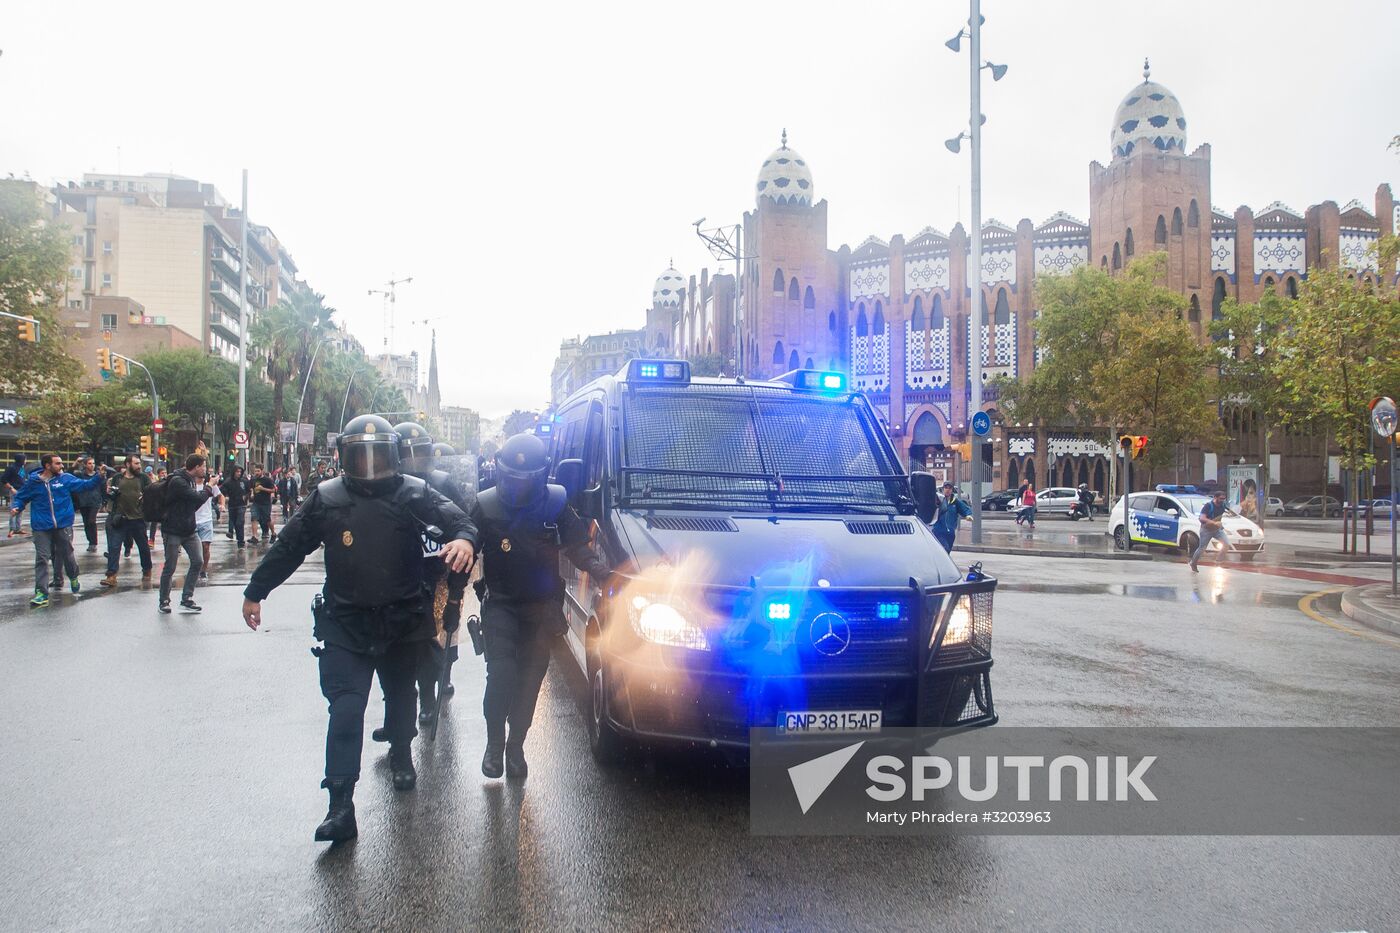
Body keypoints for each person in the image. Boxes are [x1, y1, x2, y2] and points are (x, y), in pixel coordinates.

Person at [241, 415, 476, 843]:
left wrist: (464, 540)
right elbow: (290, 545)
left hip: (401, 619)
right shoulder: (327, 498)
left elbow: (461, 520)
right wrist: (257, 590)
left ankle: (403, 753)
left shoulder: (414, 492)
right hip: (345, 622)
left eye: (377, 455)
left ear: (394, 455)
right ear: (344, 456)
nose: (369, 465)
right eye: (359, 455)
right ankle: (340, 804)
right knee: (345, 710)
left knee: (402, 696)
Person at [473, 433, 613, 781]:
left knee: (530, 681)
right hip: (501, 604)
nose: (519, 486)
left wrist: (603, 574)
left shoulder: (555, 504)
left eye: (527, 479)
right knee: (501, 675)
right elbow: (467, 539)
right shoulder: (486, 504)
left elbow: (578, 547)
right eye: (513, 478)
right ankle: (494, 744)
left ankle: (515, 744)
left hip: (541, 609)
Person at [383, 424, 472, 732]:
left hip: (439, 575)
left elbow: (461, 523)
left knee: (439, 636)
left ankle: (435, 689)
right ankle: (407, 708)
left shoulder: (442, 483)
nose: (414, 459)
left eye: (419, 451)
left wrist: (456, 569)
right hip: (401, 577)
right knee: (404, 646)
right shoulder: (388, 485)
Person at [10, 454, 108, 607]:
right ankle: (41, 593)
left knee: (67, 555)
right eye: (58, 464)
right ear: (47, 466)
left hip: (62, 524)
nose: (62, 466)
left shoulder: (65, 479)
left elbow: (85, 485)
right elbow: (22, 497)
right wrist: (17, 506)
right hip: (41, 526)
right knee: (42, 558)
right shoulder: (33, 482)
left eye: (61, 463)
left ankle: (73, 576)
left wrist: (99, 477)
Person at [157, 454, 219, 613]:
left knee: (198, 561)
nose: (205, 470)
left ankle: (187, 598)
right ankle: (164, 600)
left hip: (188, 529)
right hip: (173, 529)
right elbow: (197, 498)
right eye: (203, 467)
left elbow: (193, 504)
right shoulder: (179, 481)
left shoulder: (190, 480)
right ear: (196, 467)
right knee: (170, 566)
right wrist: (209, 487)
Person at [101, 455, 153, 587]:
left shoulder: (143, 478)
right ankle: (111, 575)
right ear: (128, 464)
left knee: (143, 547)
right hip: (120, 518)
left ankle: (147, 570)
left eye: (139, 463)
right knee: (114, 547)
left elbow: (152, 492)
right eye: (136, 463)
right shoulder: (118, 478)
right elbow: (111, 496)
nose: (139, 466)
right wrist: (109, 495)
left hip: (138, 518)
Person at [1190, 489, 1230, 573]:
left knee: (1226, 544)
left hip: (1217, 530)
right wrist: (1214, 522)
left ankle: (1218, 562)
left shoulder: (1223, 505)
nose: (1222, 500)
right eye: (1221, 498)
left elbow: (1229, 511)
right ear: (1215, 497)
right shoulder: (1208, 506)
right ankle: (1193, 563)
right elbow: (1202, 518)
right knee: (1202, 548)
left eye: (1224, 499)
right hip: (1206, 530)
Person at [71, 456, 105, 552]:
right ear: (85, 465)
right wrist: (75, 463)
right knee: (86, 523)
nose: (92, 465)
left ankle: (94, 542)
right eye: (89, 463)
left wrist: (104, 501)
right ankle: (90, 541)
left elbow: (103, 487)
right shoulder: (80, 475)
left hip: (95, 502)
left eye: (93, 463)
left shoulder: (98, 475)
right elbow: (69, 474)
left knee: (91, 521)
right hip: (83, 501)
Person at [932, 481, 973, 553]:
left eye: (949, 488)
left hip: (951, 533)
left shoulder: (955, 502)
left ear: (952, 490)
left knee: (947, 552)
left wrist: (968, 515)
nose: (947, 490)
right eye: (946, 488)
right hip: (938, 531)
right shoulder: (938, 500)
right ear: (943, 489)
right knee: (944, 549)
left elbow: (965, 508)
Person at [193, 472, 215, 582]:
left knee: (205, 546)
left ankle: (203, 570)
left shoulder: (209, 486)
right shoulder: (189, 485)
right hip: (192, 520)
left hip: (206, 520)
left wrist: (221, 504)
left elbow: (220, 496)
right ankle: (195, 568)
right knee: (196, 549)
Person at [222, 465, 250, 548]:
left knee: (240, 522)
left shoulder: (244, 481)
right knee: (233, 521)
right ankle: (235, 535)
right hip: (232, 505)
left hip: (241, 505)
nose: (239, 473)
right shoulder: (228, 481)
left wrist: (246, 497)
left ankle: (241, 541)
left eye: (240, 472)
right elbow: (223, 491)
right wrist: (226, 496)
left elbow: (248, 490)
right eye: (237, 472)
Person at [249, 465, 277, 543]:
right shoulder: (253, 479)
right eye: (255, 471)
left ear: (262, 471)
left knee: (267, 519)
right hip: (256, 502)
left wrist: (263, 489)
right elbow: (252, 487)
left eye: (258, 471)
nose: (256, 473)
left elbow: (273, 490)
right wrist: (252, 493)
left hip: (265, 503)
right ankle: (254, 536)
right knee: (254, 518)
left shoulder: (267, 480)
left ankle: (273, 533)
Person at [3, 454, 29, 537]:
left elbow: (22, 479)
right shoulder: (11, 468)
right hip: (15, 490)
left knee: (20, 510)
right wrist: (11, 488)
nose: (26, 461)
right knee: (14, 509)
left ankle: (18, 528)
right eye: (25, 459)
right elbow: (3, 479)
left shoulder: (22, 468)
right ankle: (12, 529)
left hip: (23, 491)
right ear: (21, 459)